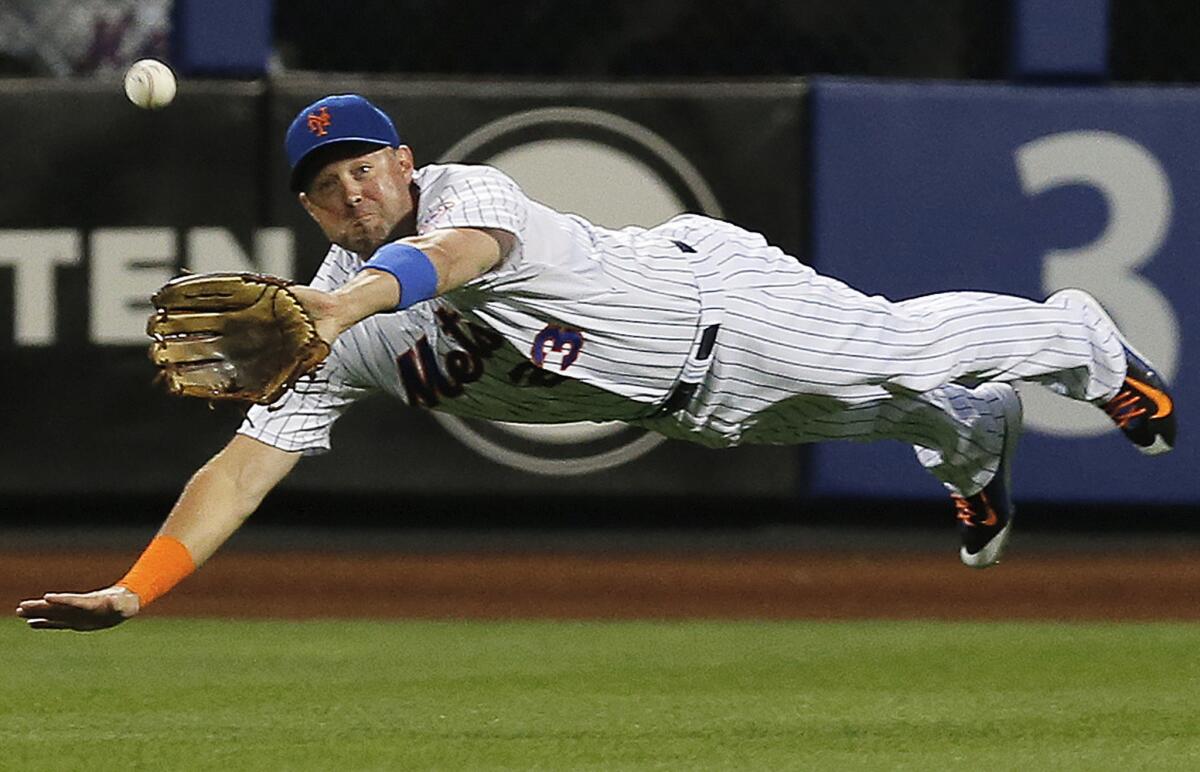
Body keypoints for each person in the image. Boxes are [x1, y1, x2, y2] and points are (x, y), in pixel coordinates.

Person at [17, 94, 1176, 631]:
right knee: (890, 412)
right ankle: (976, 442)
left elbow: (455, 257)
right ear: (310, 207)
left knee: (891, 346)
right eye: (328, 184)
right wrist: (133, 589)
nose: (355, 188)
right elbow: (240, 466)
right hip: (698, 407)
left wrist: (346, 307)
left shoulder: (463, 195)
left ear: (403, 161)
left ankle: (1074, 333)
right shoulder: (326, 323)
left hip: (720, 303)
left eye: (368, 166)